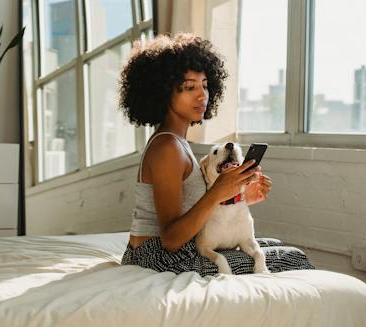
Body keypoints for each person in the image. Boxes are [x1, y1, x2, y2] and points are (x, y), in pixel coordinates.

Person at [119, 33, 314, 275]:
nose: (202, 95)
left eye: (204, 85)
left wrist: (237, 195)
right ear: (163, 92)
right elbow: (170, 239)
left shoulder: (176, 142)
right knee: (293, 259)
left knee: (275, 246)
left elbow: (192, 211)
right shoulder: (167, 147)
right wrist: (217, 193)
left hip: (163, 252)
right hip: (157, 258)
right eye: (189, 87)